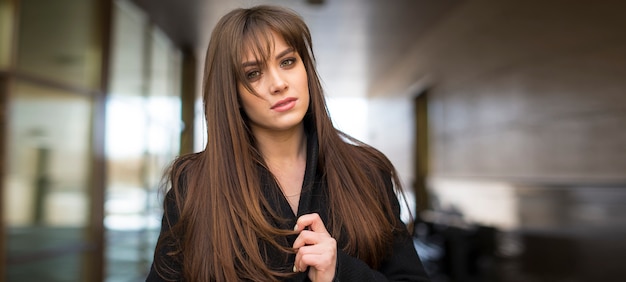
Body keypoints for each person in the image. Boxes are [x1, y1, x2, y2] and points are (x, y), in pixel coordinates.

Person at [147, 5, 430, 282]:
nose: (278, 83)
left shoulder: (367, 173)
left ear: (305, 68)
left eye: (287, 61)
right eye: (253, 73)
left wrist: (340, 272)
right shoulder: (194, 185)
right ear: (231, 93)